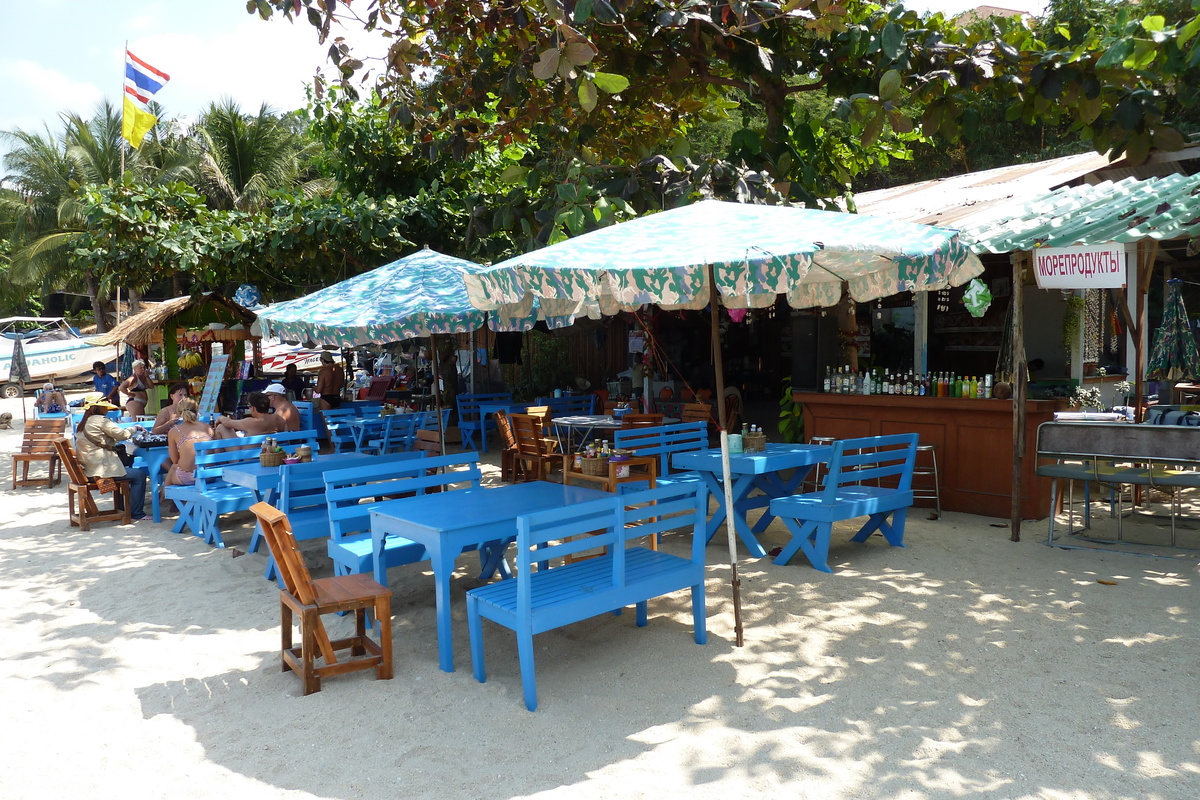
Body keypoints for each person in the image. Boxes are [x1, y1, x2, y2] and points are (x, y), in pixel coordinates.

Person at [75, 396, 148, 521]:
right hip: (101, 471)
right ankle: (136, 513)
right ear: (100, 407)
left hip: (89, 468)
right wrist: (135, 428)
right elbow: (122, 435)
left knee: (126, 471)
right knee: (139, 475)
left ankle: (122, 508)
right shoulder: (100, 420)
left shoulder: (85, 421)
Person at [164, 397, 213, 488]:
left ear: (179, 413)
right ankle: (170, 498)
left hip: (187, 478)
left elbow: (174, 460)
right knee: (174, 468)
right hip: (209, 476)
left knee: (173, 467)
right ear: (197, 410)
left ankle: (165, 497)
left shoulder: (175, 431)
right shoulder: (208, 428)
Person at [212, 392, 283, 439]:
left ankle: (219, 459)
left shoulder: (252, 422)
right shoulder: (278, 419)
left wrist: (220, 417)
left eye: (249, 406)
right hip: (271, 454)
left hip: (246, 457)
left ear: (253, 408)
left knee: (221, 427)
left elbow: (228, 423)